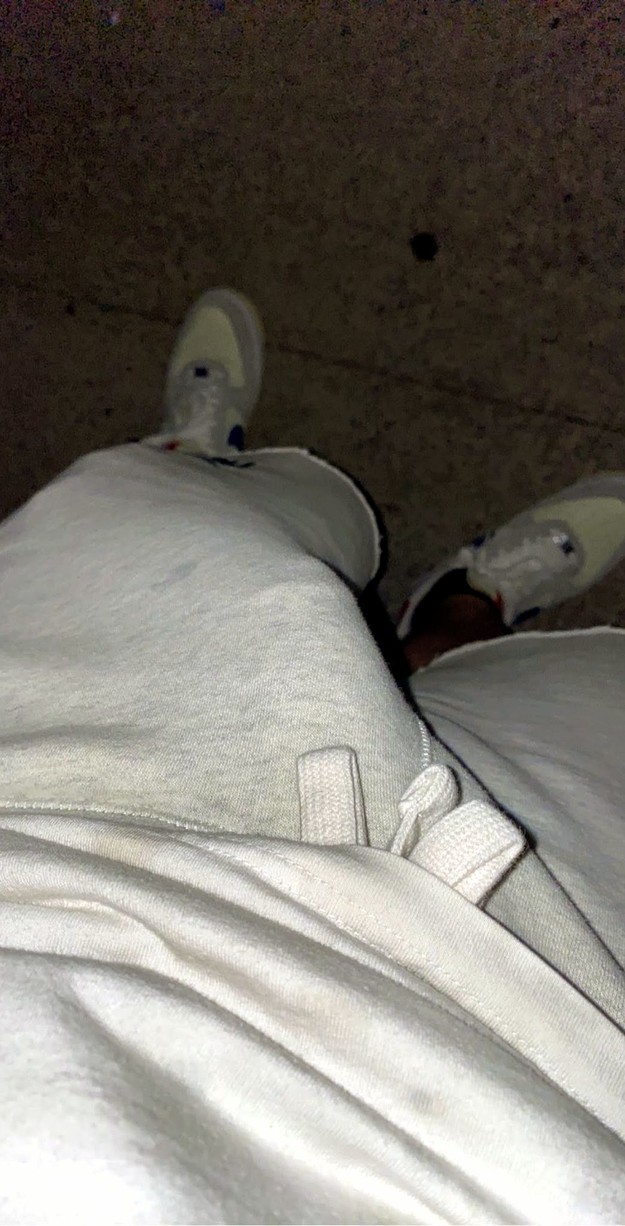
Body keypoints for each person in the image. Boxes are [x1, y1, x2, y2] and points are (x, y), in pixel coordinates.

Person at [1, 289, 624, 1224]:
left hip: (39, 850)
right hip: (493, 1064)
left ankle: (195, 460)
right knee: (527, 752)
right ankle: (462, 614)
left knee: (156, 567)